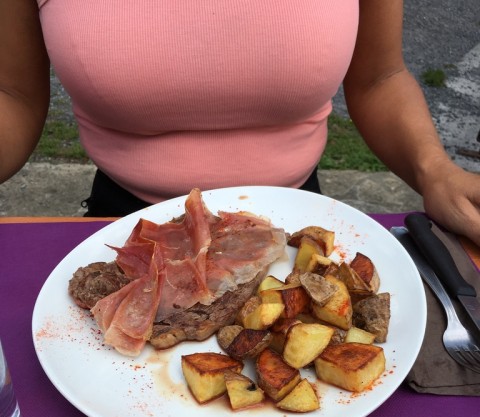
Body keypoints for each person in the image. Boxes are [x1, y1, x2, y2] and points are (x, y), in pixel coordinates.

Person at [1, 1, 480, 245]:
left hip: (298, 228)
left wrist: (434, 169)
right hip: (124, 228)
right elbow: (14, 96)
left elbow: (379, 78)